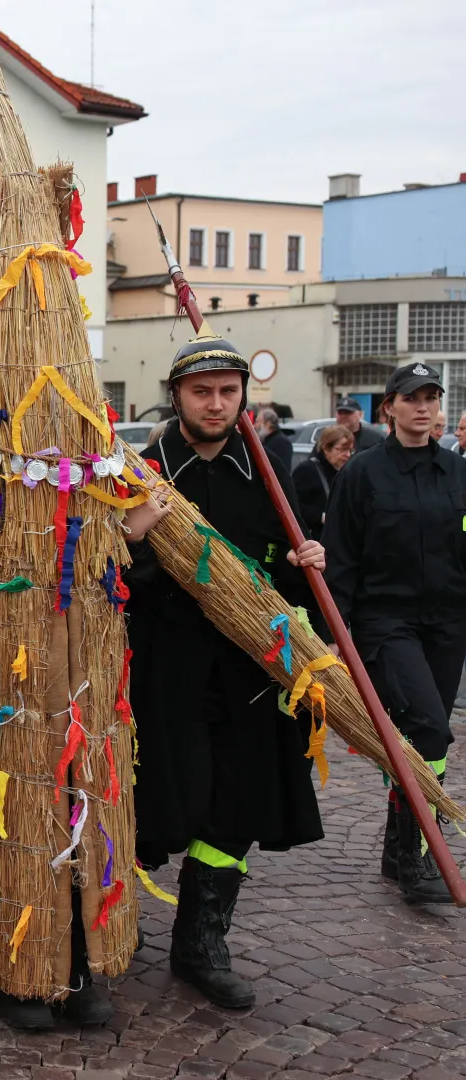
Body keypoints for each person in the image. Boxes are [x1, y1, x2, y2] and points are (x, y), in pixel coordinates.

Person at [124, 331, 326, 1010]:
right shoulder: (145, 473)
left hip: (247, 670)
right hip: (165, 668)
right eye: (201, 392)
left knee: (235, 804)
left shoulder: (267, 470)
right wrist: (133, 539)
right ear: (176, 396)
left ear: (244, 397)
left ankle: (201, 943)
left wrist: (306, 567)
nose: (216, 404)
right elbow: (109, 578)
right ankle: (105, 929)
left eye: (227, 392)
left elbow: (286, 568)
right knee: (161, 798)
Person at [323, 362, 466, 905]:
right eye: (412, 398)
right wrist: (335, 632)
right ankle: (416, 857)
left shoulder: (457, 473)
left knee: (421, 737)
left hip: (447, 624)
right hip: (386, 624)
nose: (423, 407)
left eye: (432, 397)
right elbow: (341, 558)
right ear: (389, 408)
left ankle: (393, 846)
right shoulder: (361, 474)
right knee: (429, 729)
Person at [292, 423, 354, 541]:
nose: (347, 455)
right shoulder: (307, 470)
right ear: (326, 448)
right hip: (314, 541)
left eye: (350, 450)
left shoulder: (346, 472)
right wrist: (321, 516)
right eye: (342, 449)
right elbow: (293, 506)